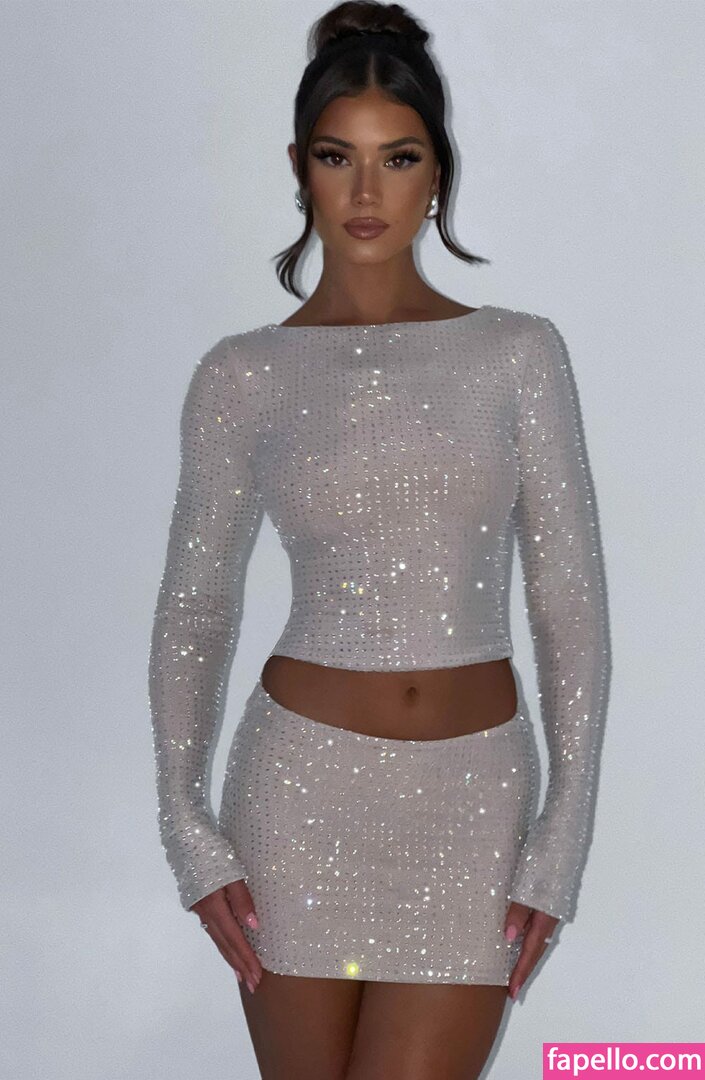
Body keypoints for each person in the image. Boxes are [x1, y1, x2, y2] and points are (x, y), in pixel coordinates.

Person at [147, 2, 611, 1077]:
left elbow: (569, 604)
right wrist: (188, 829)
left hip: (474, 805)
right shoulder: (244, 374)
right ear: (299, 169)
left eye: (397, 158)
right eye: (336, 157)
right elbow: (196, 608)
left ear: (437, 171)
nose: (365, 193)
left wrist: (562, 836)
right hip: (294, 800)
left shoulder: (517, 355)